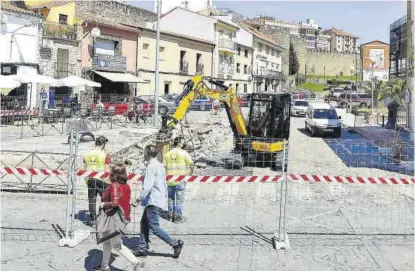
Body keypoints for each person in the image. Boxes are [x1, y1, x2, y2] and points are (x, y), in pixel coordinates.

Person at [133, 145, 184, 258]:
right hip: (158, 198)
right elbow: (163, 183)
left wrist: (138, 199)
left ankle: (175, 243)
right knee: (144, 224)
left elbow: (147, 186)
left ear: (147, 153)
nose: (143, 154)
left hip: (153, 200)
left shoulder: (151, 167)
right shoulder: (160, 165)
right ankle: (143, 248)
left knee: (154, 227)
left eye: (144, 152)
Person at [95, 164, 145, 271]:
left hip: (113, 218)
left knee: (116, 244)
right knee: (107, 241)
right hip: (122, 217)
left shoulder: (114, 185)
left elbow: (115, 203)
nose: (110, 174)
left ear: (115, 174)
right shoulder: (126, 186)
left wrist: (103, 204)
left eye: (111, 173)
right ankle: (104, 265)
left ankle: (136, 262)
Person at [163, 136, 194, 222]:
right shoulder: (184, 153)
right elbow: (191, 164)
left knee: (170, 198)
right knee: (179, 199)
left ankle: (170, 215)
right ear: (180, 143)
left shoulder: (167, 154)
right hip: (181, 179)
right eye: (183, 142)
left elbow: (164, 167)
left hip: (170, 180)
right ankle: (178, 217)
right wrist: (191, 173)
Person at [83, 136, 111, 226]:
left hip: (90, 179)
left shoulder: (87, 153)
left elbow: (84, 167)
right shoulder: (105, 154)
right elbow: (107, 169)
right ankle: (102, 218)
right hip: (102, 180)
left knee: (92, 199)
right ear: (103, 144)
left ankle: (93, 220)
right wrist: (111, 180)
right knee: (105, 199)